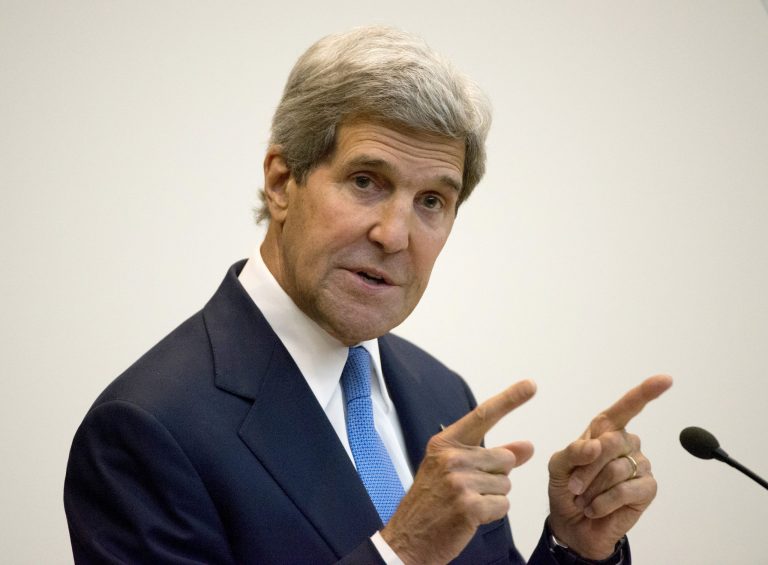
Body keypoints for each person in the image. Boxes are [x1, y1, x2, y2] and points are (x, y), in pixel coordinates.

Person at [64, 26, 672, 564]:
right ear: (282, 182)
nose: (394, 235)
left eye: (431, 200)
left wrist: (576, 547)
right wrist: (400, 553)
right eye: (366, 181)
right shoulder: (145, 428)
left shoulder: (442, 392)